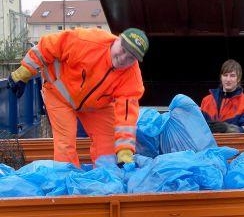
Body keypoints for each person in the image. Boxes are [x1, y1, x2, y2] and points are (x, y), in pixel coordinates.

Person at [7, 27, 149, 168]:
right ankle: (66, 183)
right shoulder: (87, 41)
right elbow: (49, 46)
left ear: (136, 61)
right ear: (117, 40)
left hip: (96, 106)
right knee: (65, 144)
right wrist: (23, 72)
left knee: (108, 145)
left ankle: (105, 184)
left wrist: (124, 150)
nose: (123, 58)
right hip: (58, 95)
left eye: (131, 57)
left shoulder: (132, 78)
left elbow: (126, 115)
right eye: (123, 50)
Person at [201, 59, 244, 133]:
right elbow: (199, 128)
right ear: (221, 77)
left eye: (232, 76)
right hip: (210, 144)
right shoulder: (206, 101)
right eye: (225, 75)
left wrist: (228, 129)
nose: (228, 79)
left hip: (234, 144)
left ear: (238, 79)